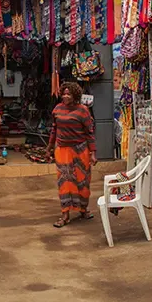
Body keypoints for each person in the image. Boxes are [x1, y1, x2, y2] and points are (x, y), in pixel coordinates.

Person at [47, 82, 97, 228]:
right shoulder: (57, 109)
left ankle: (83, 209)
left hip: (81, 151)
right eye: (64, 93)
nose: (65, 96)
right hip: (62, 151)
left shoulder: (83, 111)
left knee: (83, 182)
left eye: (69, 94)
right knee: (64, 182)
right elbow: (54, 130)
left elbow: (89, 133)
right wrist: (49, 147)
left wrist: (93, 153)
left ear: (75, 95)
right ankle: (65, 214)